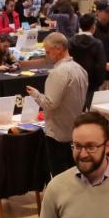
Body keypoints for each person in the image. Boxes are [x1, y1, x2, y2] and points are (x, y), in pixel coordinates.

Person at [26, 32, 88, 176]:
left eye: (48, 51)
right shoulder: (80, 69)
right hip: (73, 130)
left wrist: (36, 94)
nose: (46, 55)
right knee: (74, 175)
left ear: (58, 49)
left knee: (60, 177)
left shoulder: (59, 72)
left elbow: (50, 104)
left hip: (58, 134)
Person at [68, 13, 106, 108]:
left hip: (74, 82)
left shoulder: (71, 42)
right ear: (93, 26)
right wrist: (99, 82)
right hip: (92, 84)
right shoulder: (97, 44)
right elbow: (101, 66)